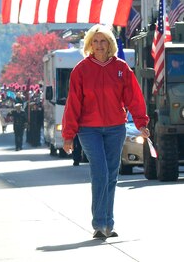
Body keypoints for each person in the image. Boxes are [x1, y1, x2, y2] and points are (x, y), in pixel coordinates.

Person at [62, 24, 149, 239]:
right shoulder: (81, 70)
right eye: (95, 41)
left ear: (110, 44)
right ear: (89, 44)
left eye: (103, 41)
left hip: (115, 128)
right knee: (100, 171)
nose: (99, 45)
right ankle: (99, 223)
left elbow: (134, 98)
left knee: (111, 175)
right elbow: (73, 104)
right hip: (88, 130)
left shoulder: (121, 68)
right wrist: (68, 135)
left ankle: (108, 224)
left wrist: (141, 123)